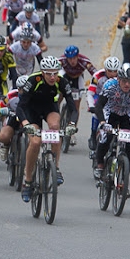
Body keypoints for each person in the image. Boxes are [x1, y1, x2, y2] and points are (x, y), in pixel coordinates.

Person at [16, 56, 78, 202]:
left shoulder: (61, 81)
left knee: (55, 129)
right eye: (49, 73)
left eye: (55, 73)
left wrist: (72, 124)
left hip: (49, 107)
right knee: (36, 142)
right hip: (32, 110)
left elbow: (73, 108)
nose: (52, 77)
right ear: (42, 73)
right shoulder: (33, 80)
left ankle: (55, 169)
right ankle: (28, 180)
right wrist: (26, 124)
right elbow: (21, 106)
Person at [92, 63, 130, 178]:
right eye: (124, 80)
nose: (127, 84)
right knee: (106, 137)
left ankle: (124, 179)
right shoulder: (109, 85)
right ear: (118, 78)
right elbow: (99, 105)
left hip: (127, 114)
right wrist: (102, 122)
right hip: (110, 112)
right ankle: (99, 164)